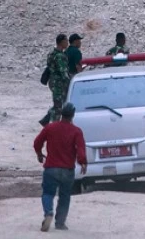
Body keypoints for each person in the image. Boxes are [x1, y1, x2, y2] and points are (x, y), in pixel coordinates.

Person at [33, 102, 87, 232]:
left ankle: (48, 213)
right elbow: (80, 149)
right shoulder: (76, 131)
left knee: (47, 193)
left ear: (62, 114)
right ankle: (60, 222)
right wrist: (83, 162)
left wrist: (40, 154)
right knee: (65, 196)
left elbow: (37, 142)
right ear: (73, 115)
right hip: (67, 170)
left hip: (51, 168)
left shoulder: (50, 128)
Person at [40, 35, 70, 126]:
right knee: (58, 107)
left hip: (53, 82)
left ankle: (47, 119)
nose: (67, 42)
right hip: (59, 84)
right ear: (61, 42)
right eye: (66, 41)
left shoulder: (51, 54)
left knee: (58, 104)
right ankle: (54, 126)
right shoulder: (60, 56)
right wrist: (70, 83)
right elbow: (63, 72)